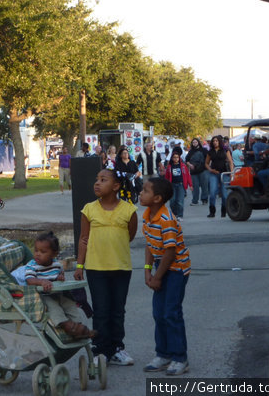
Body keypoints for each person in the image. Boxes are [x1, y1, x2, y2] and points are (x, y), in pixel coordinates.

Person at [74, 168, 138, 365]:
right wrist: (79, 265)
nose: (97, 183)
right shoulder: (89, 209)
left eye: (103, 180)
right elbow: (83, 239)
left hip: (121, 268)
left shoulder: (129, 210)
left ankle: (117, 348)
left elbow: (130, 235)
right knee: (101, 310)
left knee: (117, 310)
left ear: (116, 186)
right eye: (96, 179)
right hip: (96, 268)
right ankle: (100, 350)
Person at [140, 178, 191, 376]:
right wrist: (147, 270)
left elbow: (170, 252)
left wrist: (158, 277)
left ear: (157, 198)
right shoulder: (147, 215)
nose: (140, 193)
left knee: (171, 313)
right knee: (159, 313)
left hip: (176, 269)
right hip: (161, 267)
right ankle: (163, 354)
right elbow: (150, 244)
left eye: (145, 191)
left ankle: (180, 357)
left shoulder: (166, 219)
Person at [25, 232, 96, 339]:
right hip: (43, 296)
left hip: (59, 294)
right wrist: (41, 282)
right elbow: (29, 280)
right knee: (54, 309)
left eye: (43, 251)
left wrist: (60, 278)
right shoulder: (32, 265)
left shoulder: (56, 264)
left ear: (54, 254)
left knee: (70, 305)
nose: (38, 254)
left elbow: (59, 275)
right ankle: (68, 327)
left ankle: (79, 327)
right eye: (36, 250)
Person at [205, 135, 234, 218]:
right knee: (213, 192)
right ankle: (212, 211)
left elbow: (230, 162)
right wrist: (211, 170)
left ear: (220, 141)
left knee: (224, 195)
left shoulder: (225, 150)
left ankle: (224, 211)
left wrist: (232, 173)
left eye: (216, 141)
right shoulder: (210, 151)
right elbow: (206, 163)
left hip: (224, 174)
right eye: (213, 141)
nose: (215, 142)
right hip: (214, 173)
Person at [164, 151, 192, 218]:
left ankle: (180, 215)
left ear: (179, 158)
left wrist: (190, 185)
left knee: (180, 202)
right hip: (172, 185)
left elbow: (187, 176)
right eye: (174, 157)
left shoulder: (183, 166)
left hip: (180, 185)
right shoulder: (169, 167)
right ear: (172, 158)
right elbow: (166, 177)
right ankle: (175, 214)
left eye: (177, 157)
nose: (176, 159)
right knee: (172, 202)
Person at [185, 138, 208, 205]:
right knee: (195, 186)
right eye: (193, 142)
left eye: (196, 142)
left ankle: (204, 199)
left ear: (198, 142)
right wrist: (190, 165)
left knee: (204, 186)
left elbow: (208, 158)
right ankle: (195, 200)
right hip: (194, 171)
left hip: (203, 170)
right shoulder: (191, 151)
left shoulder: (203, 150)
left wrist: (207, 165)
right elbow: (187, 160)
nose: (194, 143)